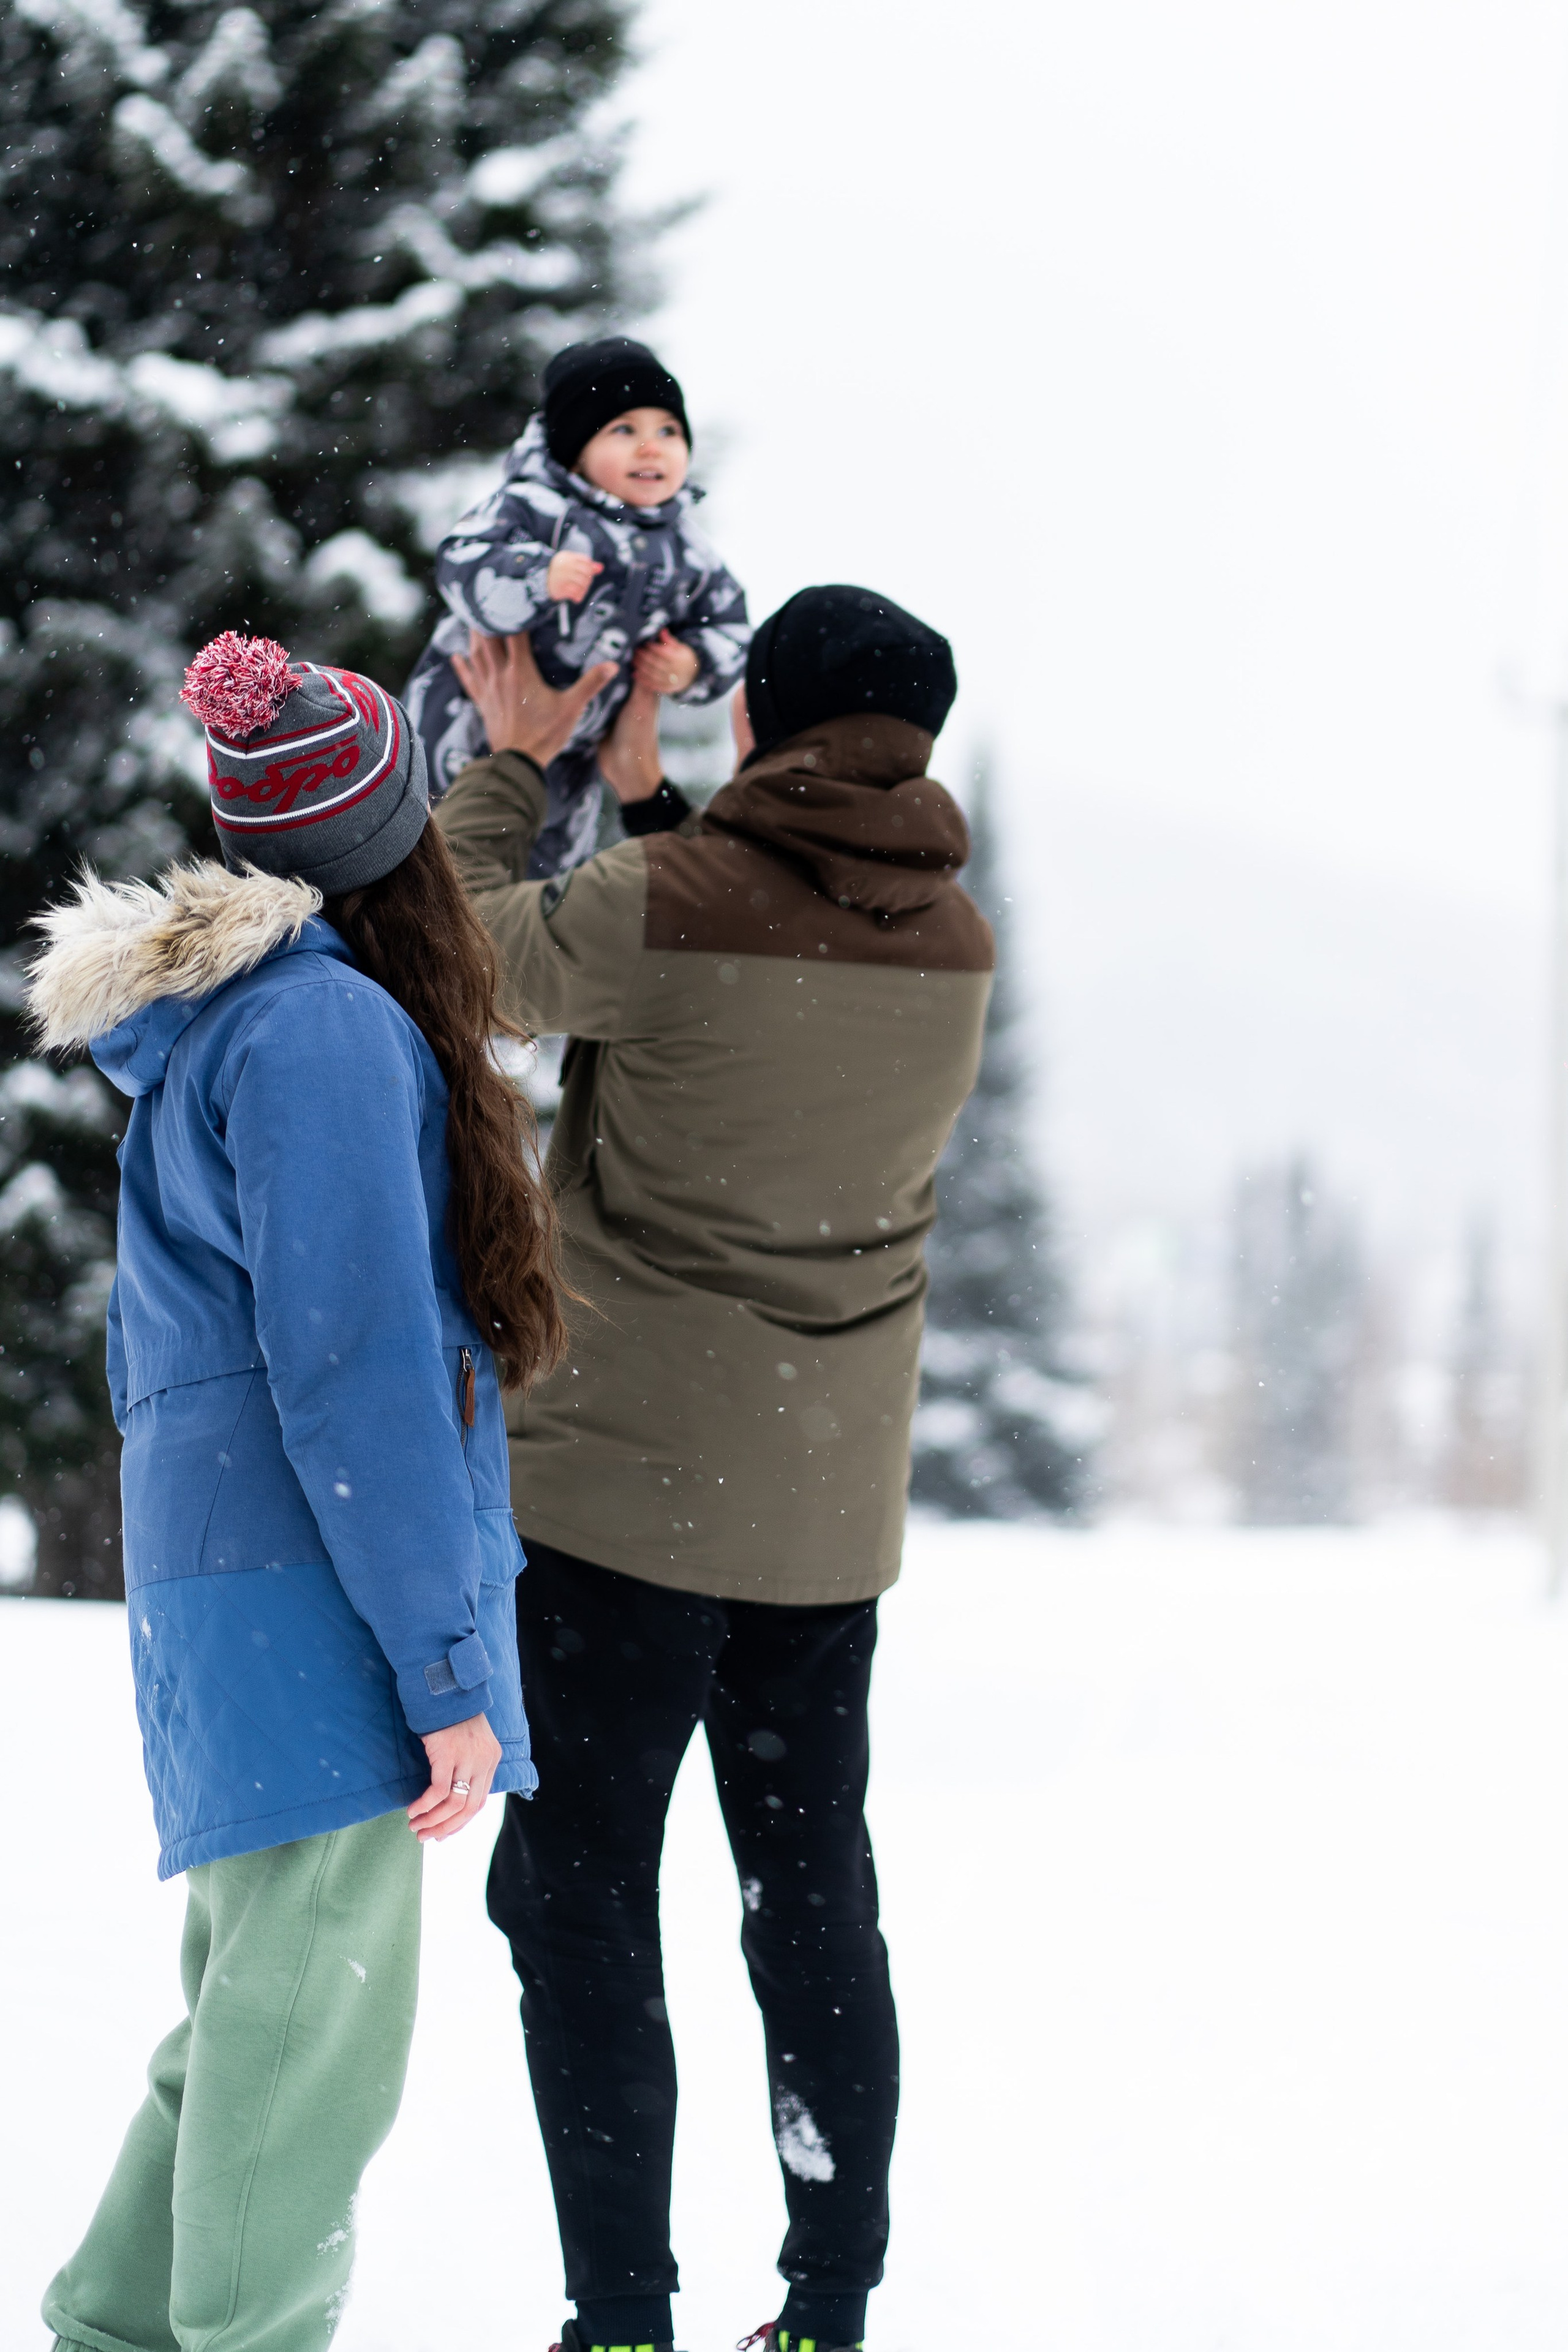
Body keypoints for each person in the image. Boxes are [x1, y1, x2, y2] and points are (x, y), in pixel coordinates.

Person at [26, 627, 611, 2352]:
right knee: (305, 2058)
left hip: (234, 1591)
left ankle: (113, 2331)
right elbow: (354, 1375)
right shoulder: (326, 1033)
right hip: (315, 1600)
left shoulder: (228, 1025)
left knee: (250, 2028)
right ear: (391, 838)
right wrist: (446, 1670)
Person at [436, 588, 995, 2352]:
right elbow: (752, 977)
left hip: (619, 1507)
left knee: (581, 1895)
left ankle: (621, 2318)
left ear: (762, 720)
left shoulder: (663, 910)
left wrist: (520, 768)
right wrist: (657, 791)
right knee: (811, 1899)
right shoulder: (953, 938)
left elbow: (462, 954)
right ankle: (826, 2304)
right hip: (824, 1525)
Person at [406, 334, 750, 875]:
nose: (651, 446)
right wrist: (536, 576)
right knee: (434, 849)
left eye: (669, 430)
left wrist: (693, 664)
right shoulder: (534, 507)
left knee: (546, 876)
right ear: (575, 446)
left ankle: (506, 952)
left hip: (575, 755)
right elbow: (461, 562)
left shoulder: (686, 548)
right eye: (624, 430)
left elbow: (730, 623)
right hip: (466, 715)